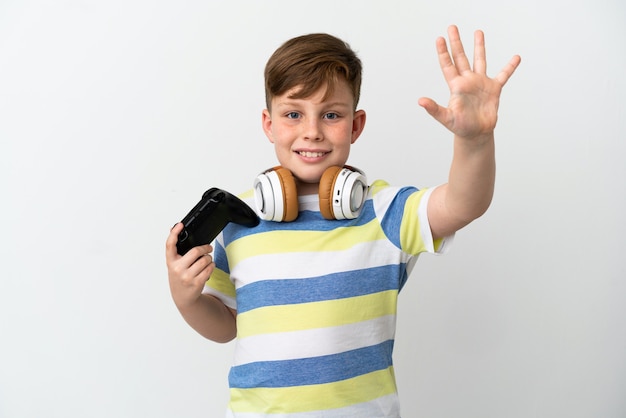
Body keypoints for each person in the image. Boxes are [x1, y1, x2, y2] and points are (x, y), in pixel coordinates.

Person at [165, 25, 520, 417]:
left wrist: (475, 141)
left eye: (331, 114)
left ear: (355, 125)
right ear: (269, 124)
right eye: (293, 114)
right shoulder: (239, 220)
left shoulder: (385, 212)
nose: (312, 131)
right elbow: (226, 324)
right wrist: (186, 298)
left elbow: (464, 203)